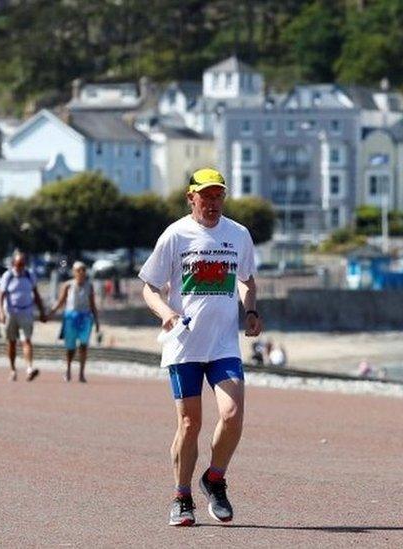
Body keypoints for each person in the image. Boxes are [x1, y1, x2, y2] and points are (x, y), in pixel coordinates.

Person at [139, 168, 263, 527]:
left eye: (218, 196)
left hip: (223, 343)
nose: (212, 203)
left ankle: (214, 478)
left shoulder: (238, 234)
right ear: (191, 197)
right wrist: (165, 312)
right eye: (205, 196)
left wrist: (251, 310)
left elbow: (246, 280)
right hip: (184, 345)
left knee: (232, 415)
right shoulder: (175, 235)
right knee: (190, 423)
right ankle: (181, 496)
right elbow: (148, 286)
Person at [0, 251, 48, 381]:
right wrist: (1, 312)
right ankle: (13, 369)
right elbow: (0, 295)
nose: (21, 267)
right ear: (13, 264)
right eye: (19, 264)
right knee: (12, 342)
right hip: (11, 312)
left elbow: (36, 294)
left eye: (23, 264)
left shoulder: (29, 275)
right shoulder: (8, 276)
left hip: (26, 312)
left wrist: (42, 311)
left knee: (27, 340)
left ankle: (29, 368)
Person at [49, 261, 100, 383]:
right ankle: (68, 369)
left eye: (83, 270)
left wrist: (97, 321)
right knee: (70, 347)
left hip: (85, 317)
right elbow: (60, 302)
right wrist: (50, 313)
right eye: (78, 270)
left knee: (83, 345)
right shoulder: (68, 285)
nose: (81, 273)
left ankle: (81, 373)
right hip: (71, 317)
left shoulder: (89, 286)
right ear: (74, 272)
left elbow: (93, 305)